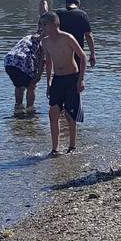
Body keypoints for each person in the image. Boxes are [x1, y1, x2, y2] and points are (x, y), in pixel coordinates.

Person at [40, 12, 87, 155]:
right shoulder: (45, 41)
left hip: (72, 78)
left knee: (69, 114)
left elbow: (83, 57)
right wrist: (48, 82)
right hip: (57, 80)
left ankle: (72, 146)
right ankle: (55, 149)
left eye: (44, 25)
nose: (42, 28)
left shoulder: (67, 38)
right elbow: (48, 62)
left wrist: (81, 79)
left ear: (53, 24)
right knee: (53, 113)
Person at [4, 26, 45, 116]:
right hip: (22, 61)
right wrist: (39, 76)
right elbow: (42, 61)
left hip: (9, 61)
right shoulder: (44, 42)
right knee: (31, 86)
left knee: (19, 85)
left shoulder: (28, 37)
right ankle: (30, 109)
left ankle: (18, 108)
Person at [55, 0, 96, 68]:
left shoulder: (58, 13)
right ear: (78, 4)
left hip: (60, 52)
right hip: (77, 52)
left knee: (60, 75)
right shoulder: (82, 14)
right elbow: (88, 35)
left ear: (66, 3)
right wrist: (92, 53)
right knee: (77, 76)